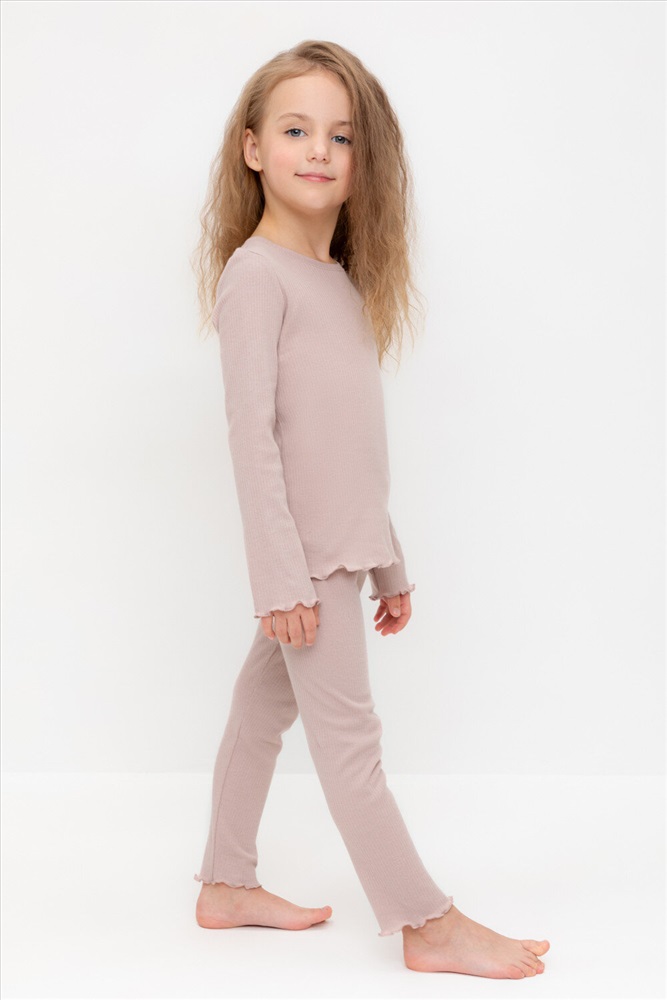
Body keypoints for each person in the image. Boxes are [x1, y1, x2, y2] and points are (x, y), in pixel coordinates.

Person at [190, 39, 550, 978]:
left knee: (257, 713)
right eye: (295, 129)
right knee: (351, 745)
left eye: (341, 135)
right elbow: (251, 439)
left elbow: (348, 451)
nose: (319, 149)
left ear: (362, 160)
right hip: (304, 564)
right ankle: (424, 922)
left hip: (336, 554)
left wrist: (388, 561)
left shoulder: (340, 282)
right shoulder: (256, 277)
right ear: (252, 148)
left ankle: (224, 884)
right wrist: (280, 576)